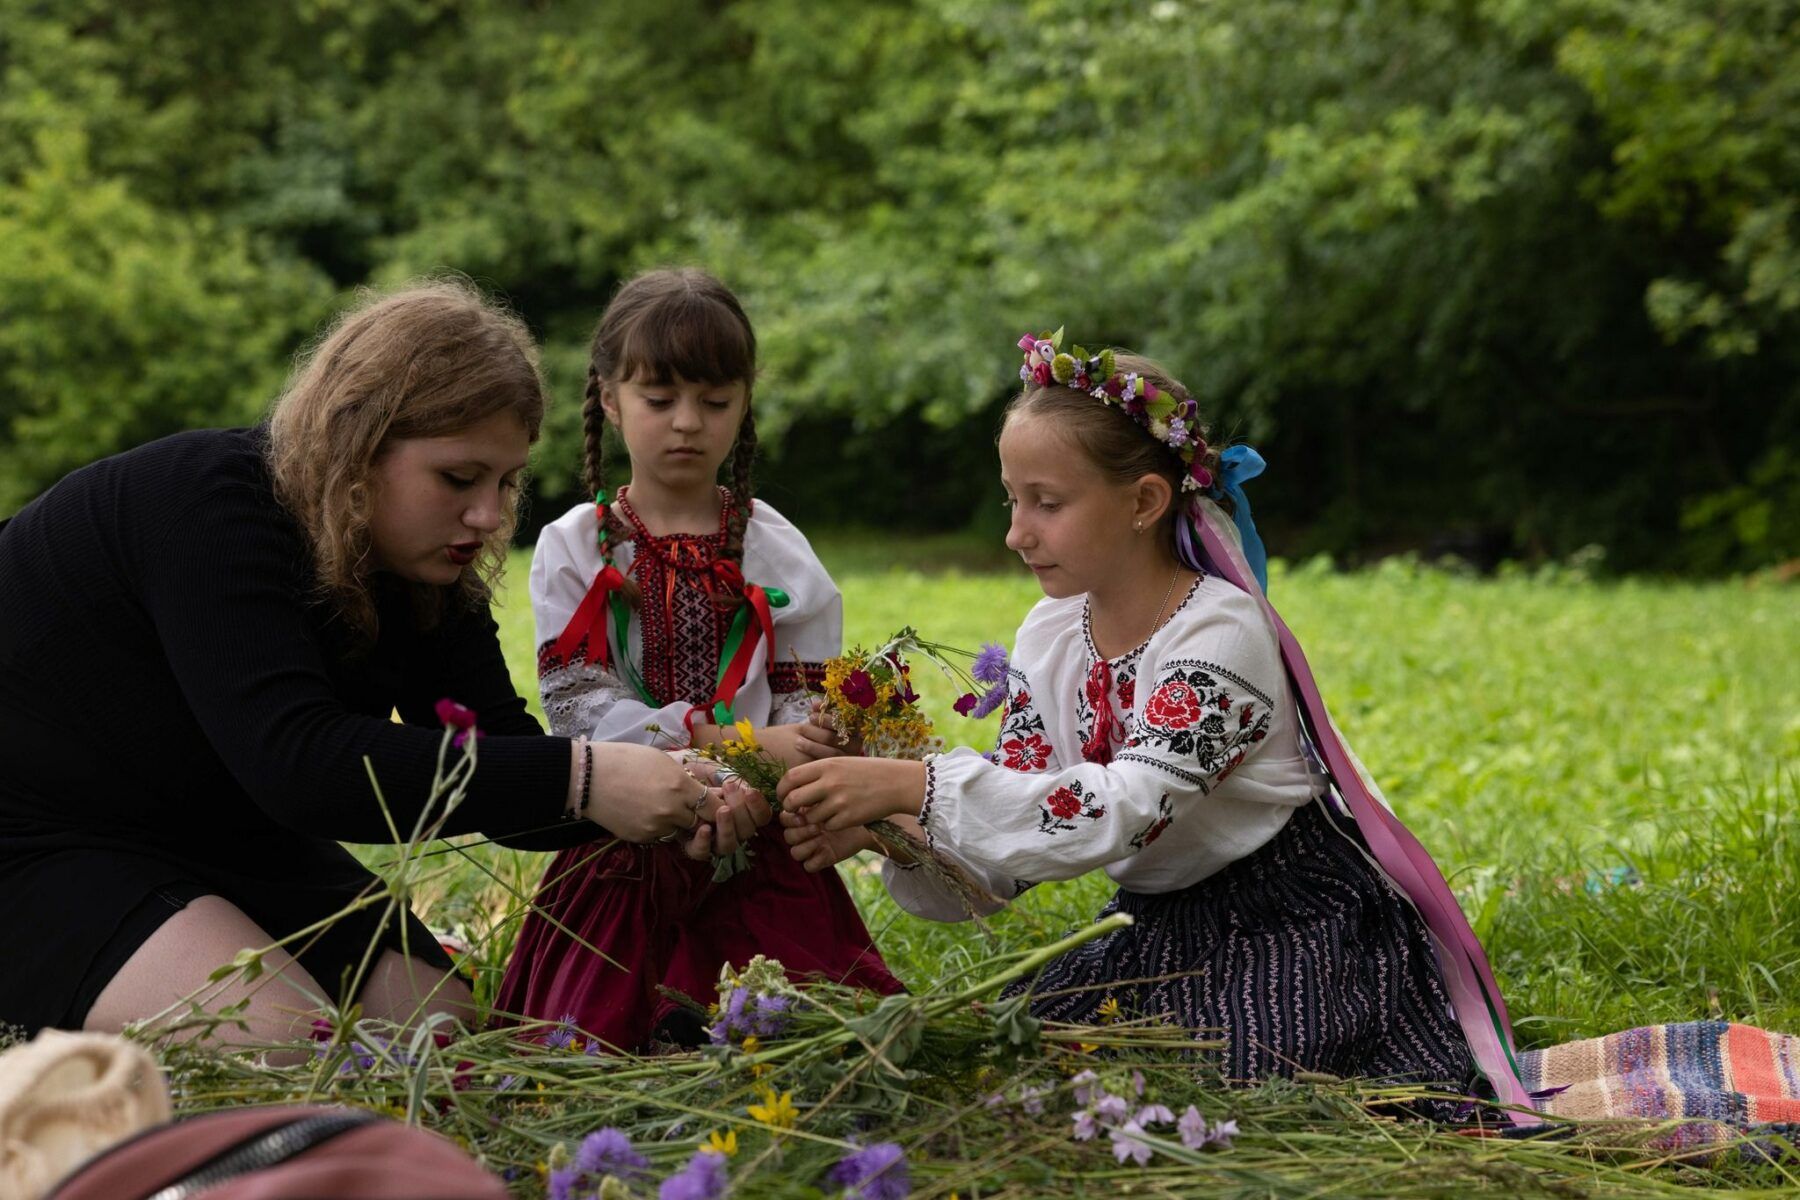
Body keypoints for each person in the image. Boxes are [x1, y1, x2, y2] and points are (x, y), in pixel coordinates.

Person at [778, 332, 1526, 1120]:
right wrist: (894, 833)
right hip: (1156, 928)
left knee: (1224, 1092)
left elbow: (1127, 809)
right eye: (1012, 500)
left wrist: (916, 784)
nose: (1016, 533)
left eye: (1047, 503)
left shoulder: (1221, 634)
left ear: (1143, 502)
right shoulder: (1051, 633)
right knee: (1021, 1070)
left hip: (1292, 919)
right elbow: (1027, 833)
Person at [0, 279, 766, 1048]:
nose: (487, 516)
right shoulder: (208, 505)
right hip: (38, 834)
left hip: (221, 833)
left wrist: (668, 791)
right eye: (458, 478)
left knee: (439, 1026)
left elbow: (502, 758)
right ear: (356, 448)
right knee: (291, 1042)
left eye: (504, 482)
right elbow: (299, 763)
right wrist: (586, 778)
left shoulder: (425, 569)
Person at [496, 268, 901, 1051]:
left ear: (744, 404)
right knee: (595, 1045)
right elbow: (581, 709)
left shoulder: (776, 547)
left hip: (760, 838)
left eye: (714, 402)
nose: (687, 423)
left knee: (812, 1042)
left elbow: (804, 709)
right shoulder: (574, 548)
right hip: (624, 836)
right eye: (660, 399)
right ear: (611, 399)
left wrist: (768, 776)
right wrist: (723, 750)